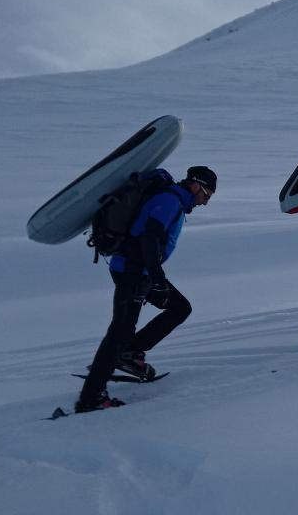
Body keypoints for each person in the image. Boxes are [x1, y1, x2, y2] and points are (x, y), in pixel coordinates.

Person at [75, 165, 217, 413]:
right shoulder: (170, 200)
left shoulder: (174, 201)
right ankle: (91, 398)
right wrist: (156, 276)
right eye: (207, 195)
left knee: (179, 308)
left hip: (139, 272)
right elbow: (149, 236)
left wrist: (153, 275)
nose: (205, 202)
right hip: (132, 272)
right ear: (196, 185)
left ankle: (129, 353)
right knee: (119, 331)